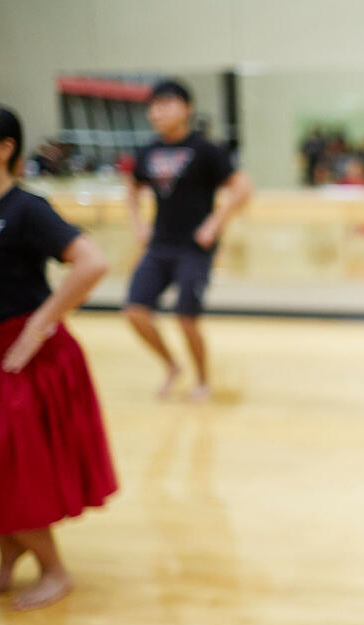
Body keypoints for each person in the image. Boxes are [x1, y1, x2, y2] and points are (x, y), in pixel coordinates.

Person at [0, 103, 116, 610]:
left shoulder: (28, 209)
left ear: (4, 149)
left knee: (7, 469)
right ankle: (10, 556)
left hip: (19, 364)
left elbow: (91, 263)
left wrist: (39, 325)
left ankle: (53, 569)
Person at [123, 79, 252, 402]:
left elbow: (242, 188)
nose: (158, 111)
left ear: (187, 109)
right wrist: (139, 225)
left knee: (186, 317)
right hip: (159, 245)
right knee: (135, 311)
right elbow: (131, 189)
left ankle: (203, 380)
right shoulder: (148, 151)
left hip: (194, 247)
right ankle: (170, 365)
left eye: (166, 104)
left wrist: (214, 222)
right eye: (153, 105)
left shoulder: (205, 149)